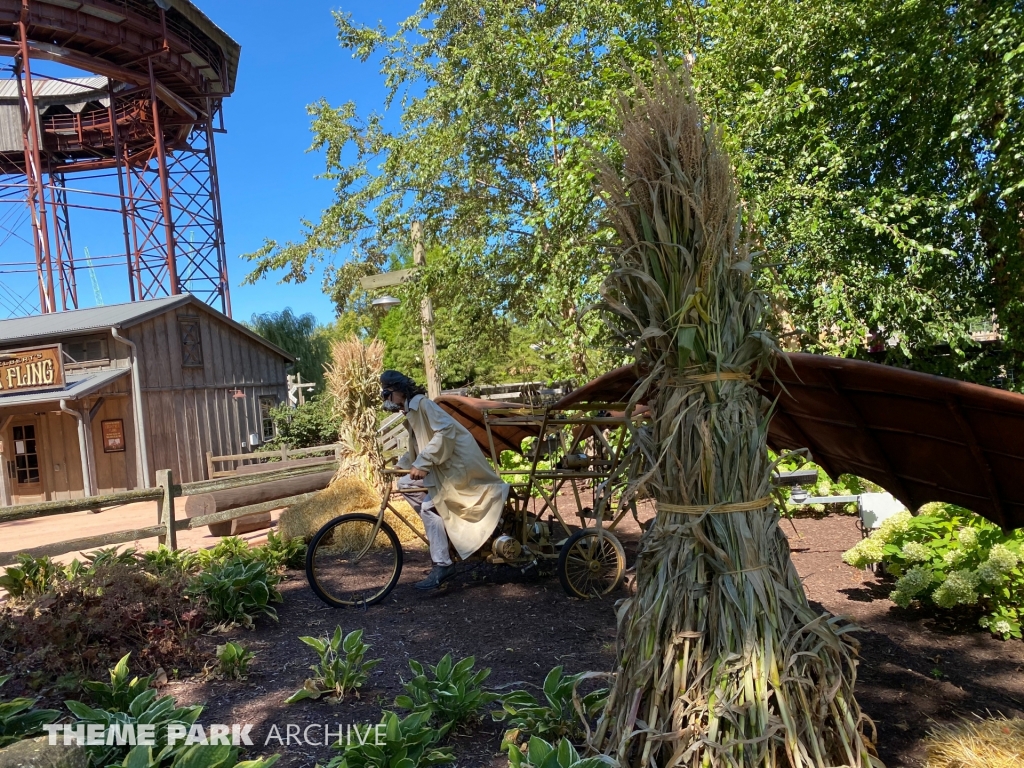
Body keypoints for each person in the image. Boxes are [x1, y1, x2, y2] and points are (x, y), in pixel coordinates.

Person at [381, 370, 510, 590]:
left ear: (398, 390)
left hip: (457, 468)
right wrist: (402, 466)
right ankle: (444, 531)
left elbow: (445, 431)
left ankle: (443, 564)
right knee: (404, 484)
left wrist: (423, 463)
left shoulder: (423, 405)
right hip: (443, 468)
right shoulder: (411, 411)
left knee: (428, 508)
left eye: (386, 393)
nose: (385, 399)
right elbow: (419, 443)